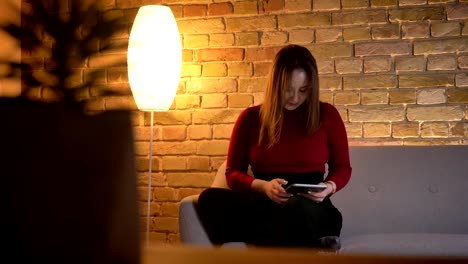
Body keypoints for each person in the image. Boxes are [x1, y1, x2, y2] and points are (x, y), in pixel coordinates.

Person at [197, 44, 352, 249]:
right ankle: (309, 242)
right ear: (274, 84)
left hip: (310, 206)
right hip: (265, 202)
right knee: (209, 199)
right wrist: (263, 187)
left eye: (303, 90)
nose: (295, 98)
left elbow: (342, 167)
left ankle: (279, 238)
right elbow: (233, 173)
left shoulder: (327, 114)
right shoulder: (250, 118)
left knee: (295, 208)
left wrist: (328, 188)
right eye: (287, 89)